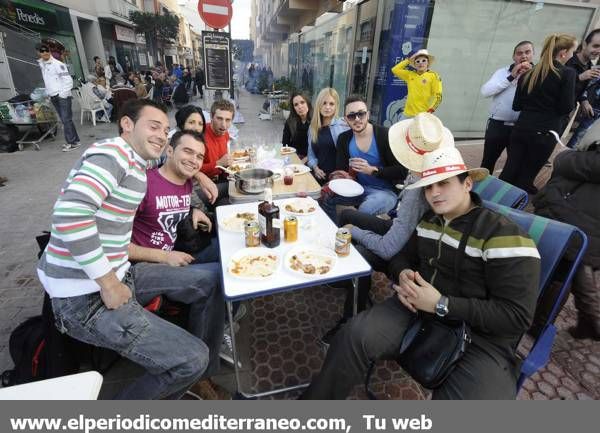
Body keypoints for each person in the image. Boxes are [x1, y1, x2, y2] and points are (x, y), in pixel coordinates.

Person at [302, 145, 540, 400]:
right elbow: (402, 257)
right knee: (352, 336)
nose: (434, 193)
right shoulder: (429, 222)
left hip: (481, 339)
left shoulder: (503, 234)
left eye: (443, 183)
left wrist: (441, 304)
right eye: (428, 186)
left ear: (467, 183)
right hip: (416, 311)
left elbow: (516, 316)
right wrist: (402, 271)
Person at [37, 99, 210, 399]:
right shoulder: (112, 154)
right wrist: (108, 283)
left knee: (211, 279)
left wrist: (199, 173)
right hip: (85, 297)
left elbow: (172, 163)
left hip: (122, 273)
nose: (161, 134)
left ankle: (193, 371)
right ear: (127, 125)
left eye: (166, 130)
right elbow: (71, 215)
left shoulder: (137, 161)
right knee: (193, 358)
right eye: (153, 126)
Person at [319, 113, 450, 344]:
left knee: (360, 253)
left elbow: (389, 247)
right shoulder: (422, 170)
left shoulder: (421, 188)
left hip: (410, 247)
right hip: (401, 225)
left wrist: (354, 232)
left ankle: (349, 322)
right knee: (349, 214)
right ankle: (346, 276)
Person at [128, 130, 228, 399]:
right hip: (138, 269)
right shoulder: (142, 183)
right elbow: (114, 245)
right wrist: (163, 257)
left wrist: (194, 204)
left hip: (172, 258)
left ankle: (215, 328)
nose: (194, 160)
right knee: (219, 280)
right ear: (169, 150)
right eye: (187, 151)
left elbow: (175, 201)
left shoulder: (184, 182)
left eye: (199, 156)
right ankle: (203, 371)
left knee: (232, 255)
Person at [533, 141, 600, 341]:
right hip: (583, 214)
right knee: (574, 267)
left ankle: (540, 324)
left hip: (576, 215)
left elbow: (570, 163)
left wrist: (565, 156)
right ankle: (589, 321)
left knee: (562, 272)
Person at [500, 33, 577, 194]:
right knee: (527, 174)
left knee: (510, 168)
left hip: (521, 128)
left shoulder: (528, 73)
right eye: (572, 51)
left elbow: (517, 105)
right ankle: (512, 210)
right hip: (546, 132)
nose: (572, 55)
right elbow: (566, 107)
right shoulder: (567, 73)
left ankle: (494, 201)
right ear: (563, 52)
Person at [320, 95, 406, 224]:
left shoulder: (385, 135)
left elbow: (402, 171)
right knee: (326, 197)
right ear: (345, 120)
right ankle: (334, 230)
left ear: (368, 114)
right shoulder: (344, 139)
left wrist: (373, 170)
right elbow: (341, 169)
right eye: (351, 116)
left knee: (365, 209)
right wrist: (343, 176)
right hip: (357, 188)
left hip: (386, 192)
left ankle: (351, 238)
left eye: (361, 114)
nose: (357, 119)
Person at [480, 41, 534, 173]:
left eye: (527, 52)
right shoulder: (502, 72)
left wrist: (529, 76)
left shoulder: (537, 75)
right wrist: (511, 77)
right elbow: (485, 91)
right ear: (513, 56)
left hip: (522, 127)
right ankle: (480, 189)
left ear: (533, 54)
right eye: (519, 53)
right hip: (497, 125)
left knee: (515, 164)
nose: (524, 56)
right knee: (488, 161)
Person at [37, 44, 80, 152]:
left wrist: (62, 94)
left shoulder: (58, 64)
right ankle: (75, 141)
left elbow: (68, 80)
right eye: (42, 51)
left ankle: (71, 143)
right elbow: (49, 81)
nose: (45, 53)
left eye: (46, 50)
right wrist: (48, 94)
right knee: (66, 120)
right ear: (38, 53)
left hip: (62, 96)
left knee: (66, 120)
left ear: (49, 51)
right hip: (53, 96)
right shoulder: (43, 64)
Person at [566, 29, 600, 148]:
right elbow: (554, 85)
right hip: (551, 112)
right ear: (585, 44)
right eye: (595, 46)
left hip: (568, 112)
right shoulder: (568, 59)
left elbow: (580, 90)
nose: (598, 51)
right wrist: (580, 77)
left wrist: (584, 100)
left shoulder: (590, 66)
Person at [307, 87, 349, 183]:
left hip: (337, 179)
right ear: (319, 105)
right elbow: (311, 155)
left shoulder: (343, 125)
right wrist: (315, 168)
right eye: (324, 103)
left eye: (331, 104)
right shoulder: (312, 127)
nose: (327, 107)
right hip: (318, 175)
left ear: (336, 106)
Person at [391, 49, 443, 119]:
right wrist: (408, 60)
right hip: (406, 114)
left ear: (428, 63)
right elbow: (394, 70)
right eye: (417, 61)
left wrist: (431, 109)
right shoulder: (410, 75)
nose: (420, 63)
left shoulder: (434, 76)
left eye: (424, 60)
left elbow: (438, 96)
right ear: (414, 65)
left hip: (422, 115)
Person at [281, 92, 312, 162]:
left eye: (302, 102)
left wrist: (304, 161)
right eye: (296, 105)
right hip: (294, 158)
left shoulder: (316, 121)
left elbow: (319, 148)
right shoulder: (290, 122)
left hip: (312, 160)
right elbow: (285, 144)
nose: (300, 107)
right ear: (293, 108)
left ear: (308, 103)